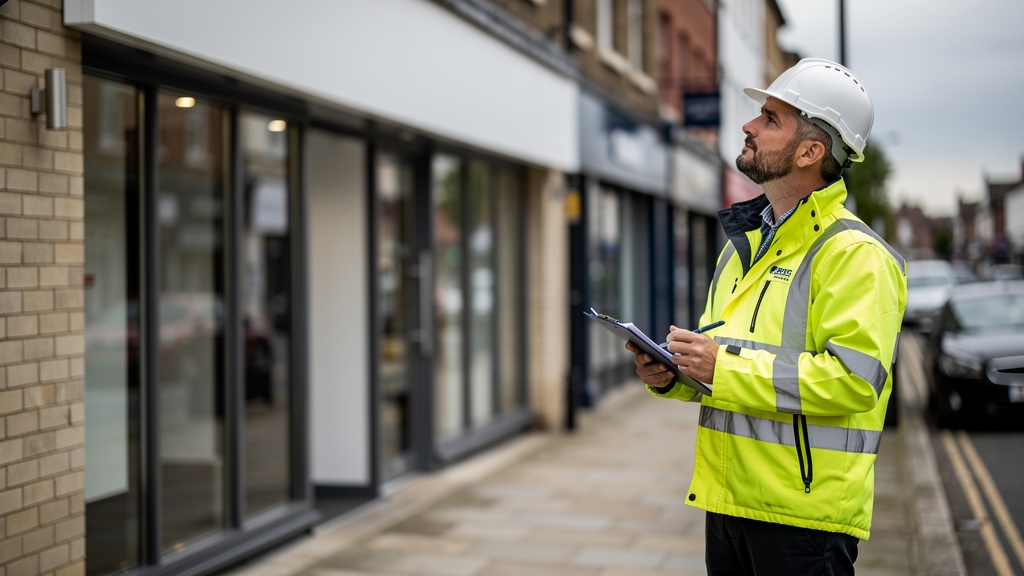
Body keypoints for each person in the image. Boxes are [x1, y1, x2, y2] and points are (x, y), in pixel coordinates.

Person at [627, 58, 907, 575]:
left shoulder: (855, 256)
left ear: (810, 152)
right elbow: (721, 371)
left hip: (804, 521)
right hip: (727, 503)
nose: (748, 125)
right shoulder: (740, 248)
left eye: (770, 118)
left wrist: (720, 368)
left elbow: (853, 382)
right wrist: (674, 375)